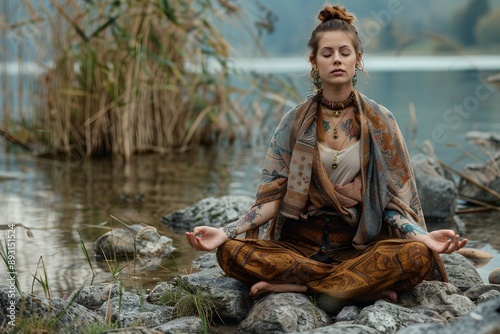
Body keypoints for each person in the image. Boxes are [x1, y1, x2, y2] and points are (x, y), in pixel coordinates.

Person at [185, 4, 467, 304]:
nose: (336, 60)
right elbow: (271, 199)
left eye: (344, 52)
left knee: (417, 256)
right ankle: (355, 289)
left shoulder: (380, 122)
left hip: (357, 246)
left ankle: (302, 287)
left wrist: (422, 236)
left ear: (357, 59)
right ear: (314, 61)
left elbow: (391, 203)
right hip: (300, 245)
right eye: (327, 53)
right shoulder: (293, 122)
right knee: (230, 254)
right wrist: (225, 232)